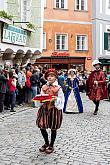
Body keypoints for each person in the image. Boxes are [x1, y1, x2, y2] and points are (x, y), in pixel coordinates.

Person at [36, 68, 64, 154]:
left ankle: (51, 145)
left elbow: (61, 99)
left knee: (53, 128)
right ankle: (46, 142)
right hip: (44, 109)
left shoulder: (58, 88)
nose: (50, 78)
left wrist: (56, 99)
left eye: (52, 76)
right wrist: (40, 99)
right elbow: (41, 96)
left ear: (55, 78)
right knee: (42, 126)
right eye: (48, 76)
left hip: (54, 110)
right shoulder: (43, 87)